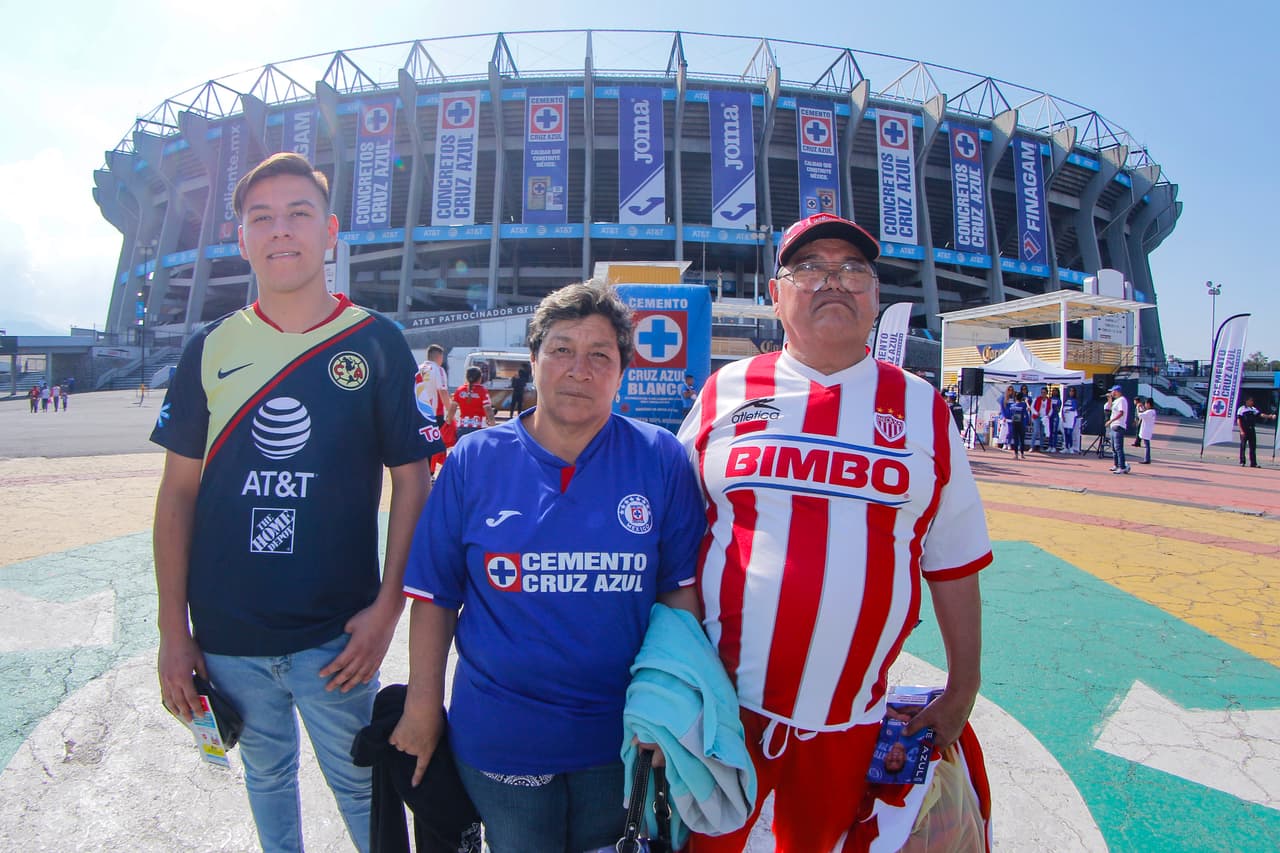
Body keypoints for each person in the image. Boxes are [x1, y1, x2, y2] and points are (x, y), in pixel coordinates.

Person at [677, 213, 990, 853]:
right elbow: (674, 543)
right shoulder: (725, 390)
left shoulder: (924, 409)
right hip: (720, 714)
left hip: (849, 724)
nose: (833, 282)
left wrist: (964, 686)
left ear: (875, 296)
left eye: (852, 270)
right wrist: (668, 681)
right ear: (776, 294)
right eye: (810, 269)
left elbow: (954, 561)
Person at [151, 152, 437, 853]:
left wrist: (388, 609)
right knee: (267, 779)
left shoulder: (375, 342)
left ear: (330, 232)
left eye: (299, 214)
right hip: (227, 638)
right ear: (241, 238)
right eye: (263, 218)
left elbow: (413, 481)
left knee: (365, 794)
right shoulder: (209, 348)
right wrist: (172, 630)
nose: (281, 230)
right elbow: (177, 493)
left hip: (338, 637)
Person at [390, 280, 705, 853]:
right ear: (533, 359)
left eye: (600, 355)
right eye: (561, 350)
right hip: (502, 739)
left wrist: (672, 708)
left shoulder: (660, 458)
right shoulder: (473, 460)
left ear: (622, 371)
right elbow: (435, 598)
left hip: (621, 736)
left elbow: (678, 597)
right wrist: (422, 706)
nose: (579, 370)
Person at [415, 344, 449, 475]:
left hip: (419, 413)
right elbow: (443, 391)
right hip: (434, 413)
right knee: (435, 445)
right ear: (438, 356)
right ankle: (430, 473)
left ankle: (423, 473)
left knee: (422, 444)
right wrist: (450, 411)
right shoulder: (438, 370)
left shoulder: (418, 369)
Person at [445, 366, 495, 439]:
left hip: (462, 428)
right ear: (480, 378)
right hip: (479, 428)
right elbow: (488, 410)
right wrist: (493, 425)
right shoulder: (483, 391)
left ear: (466, 377)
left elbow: (452, 409)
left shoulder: (460, 390)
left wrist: (449, 422)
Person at [1236, 396, 1275, 468]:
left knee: (1253, 447)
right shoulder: (1241, 409)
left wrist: (1269, 416)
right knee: (1243, 446)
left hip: (1251, 429)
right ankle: (1242, 461)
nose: (1252, 402)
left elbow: (1260, 414)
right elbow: (1238, 420)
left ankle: (1253, 463)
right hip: (1244, 429)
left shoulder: (1253, 409)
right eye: (1251, 401)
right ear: (1247, 401)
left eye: (1252, 401)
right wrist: (1241, 430)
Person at [1106, 384, 1131, 474]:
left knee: (1118, 447)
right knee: (1114, 447)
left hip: (1118, 425)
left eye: (1112, 391)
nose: (1111, 393)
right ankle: (1116, 465)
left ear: (1117, 391)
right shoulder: (1116, 401)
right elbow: (1109, 408)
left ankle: (1122, 466)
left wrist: (1111, 420)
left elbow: (1121, 413)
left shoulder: (1122, 400)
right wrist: (1109, 399)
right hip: (1113, 426)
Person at [1008, 391, 1030, 459]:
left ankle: (1016, 454)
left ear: (1015, 397)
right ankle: (1022, 454)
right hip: (1021, 423)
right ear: (1022, 398)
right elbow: (1028, 410)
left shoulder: (1012, 405)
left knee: (1016, 439)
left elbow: (1010, 414)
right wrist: (1026, 402)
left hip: (1014, 423)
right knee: (1022, 439)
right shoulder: (1023, 405)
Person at [1137, 397, 1157, 464]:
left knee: (1147, 445)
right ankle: (1147, 458)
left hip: (1146, 430)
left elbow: (1140, 415)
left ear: (1148, 404)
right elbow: (1144, 413)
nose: (1145, 405)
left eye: (1145, 403)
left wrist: (1138, 408)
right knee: (1147, 444)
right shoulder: (1152, 411)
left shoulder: (1149, 412)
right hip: (1148, 429)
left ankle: (1147, 459)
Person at [1061, 385, 1080, 453]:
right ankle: (1066, 447)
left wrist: (1068, 409)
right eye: (1070, 391)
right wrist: (1063, 416)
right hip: (1066, 418)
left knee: (1070, 433)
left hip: (1071, 418)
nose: (1071, 392)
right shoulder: (1066, 400)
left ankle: (1071, 447)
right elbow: (1063, 408)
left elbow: (1074, 408)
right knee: (1066, 433)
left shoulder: (1075, 400)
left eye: (1072, 391)